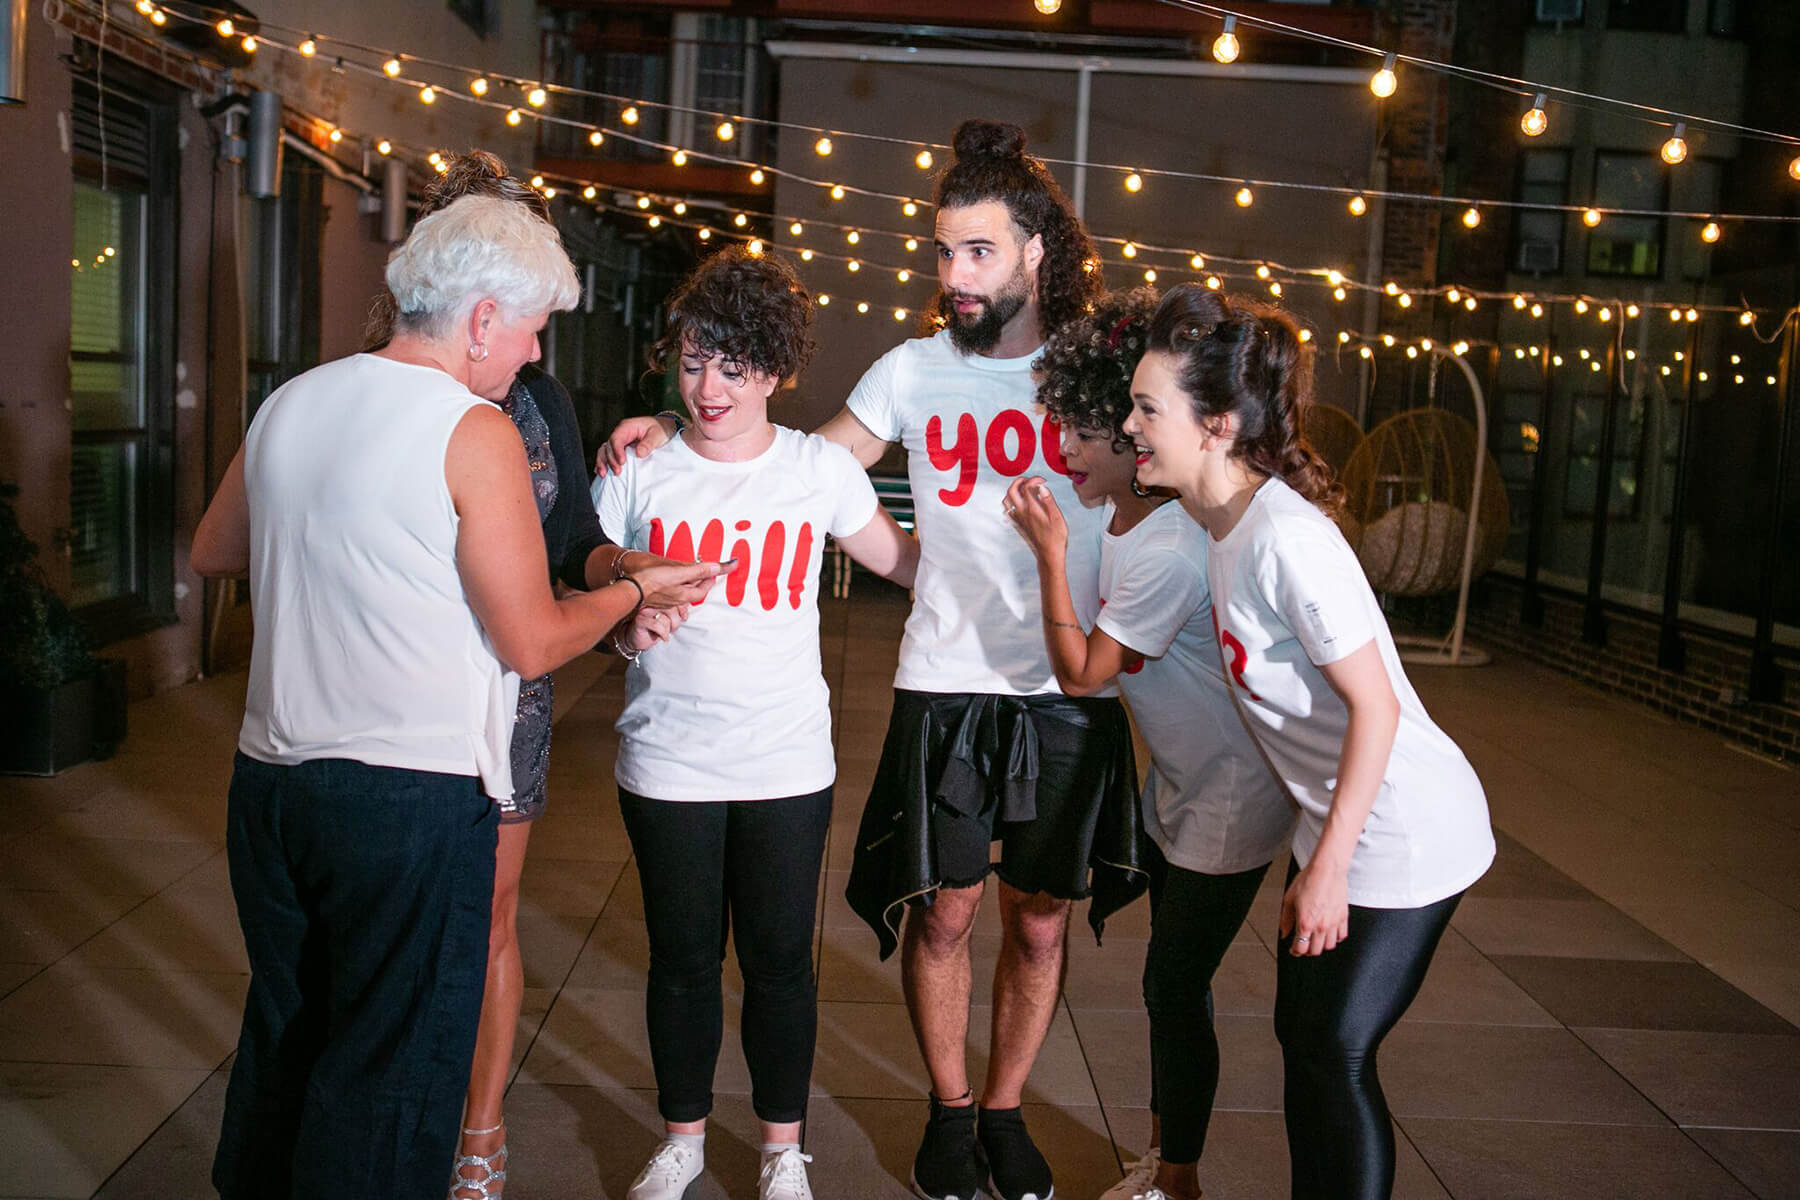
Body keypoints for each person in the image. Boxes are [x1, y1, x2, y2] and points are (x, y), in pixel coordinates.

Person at [600, 118, 1148, 1200]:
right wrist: (672, 423)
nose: (954, 273)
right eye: (943, 251)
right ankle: (951, 1113)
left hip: (1061, 678)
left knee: (1039, 923)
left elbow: (1165, 465)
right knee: (943, 913)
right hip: (942, 677)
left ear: (1036, 248)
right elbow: (784, 469)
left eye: (978, 251)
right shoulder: (910, 370)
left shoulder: (1093, 371)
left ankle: (1007, 1110)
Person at [190, 194, 722, 1200]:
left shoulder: (295, 399)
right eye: (528, 331)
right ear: (482, 316)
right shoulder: (471, 429)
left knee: (289, 1033)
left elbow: (217, 550)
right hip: (407, 799)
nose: (529, 356)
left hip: (271, 787)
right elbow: (528, 640)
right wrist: (630, 591)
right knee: (390, 1073)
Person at [1126, 284, 1495, 1200]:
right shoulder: (1224, 526)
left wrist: (1325, 870)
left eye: (1145, 409)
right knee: (1307, 1043)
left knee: (1335, 1048)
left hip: (1405, 828)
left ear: (1214, 424)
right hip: (1335, 826)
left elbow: (1377, 709)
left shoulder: (1286, 538)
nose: (1130, 426)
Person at [365, 150, 683, 1200]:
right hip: (398, 689)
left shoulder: (537, 398)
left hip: (514, 695)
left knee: (491, 918)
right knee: (393, 923)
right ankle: (388, 1111)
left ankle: (480, 1133)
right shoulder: (381, 382)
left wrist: (622, 572)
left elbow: (573, 540)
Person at [591, 245, 919, 1200]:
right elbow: (592, 594)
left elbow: (907, 566)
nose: (708, 387)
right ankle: (684, 1137)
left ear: (774, 369)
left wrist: (1035, 569)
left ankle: (783, 1149)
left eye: (733, 366)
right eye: (693, 362)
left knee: (780, 965)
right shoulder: (640, 467)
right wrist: (623, 625)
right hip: (666, 761)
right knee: (682, 961)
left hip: (784, 762)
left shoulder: (817, 471)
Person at [1003, 289, 1296, 1200]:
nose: (1064, 456)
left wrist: (1051, 558)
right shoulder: (1124, 515)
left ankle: (1180, 1177)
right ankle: (1170, 1161)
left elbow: (1087, 671)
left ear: (1134, 446)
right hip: (1181, 780)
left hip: (1233, 792)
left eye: (1082, 440)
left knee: (1173, 986)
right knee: (1173, 988)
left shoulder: (1169, 543)